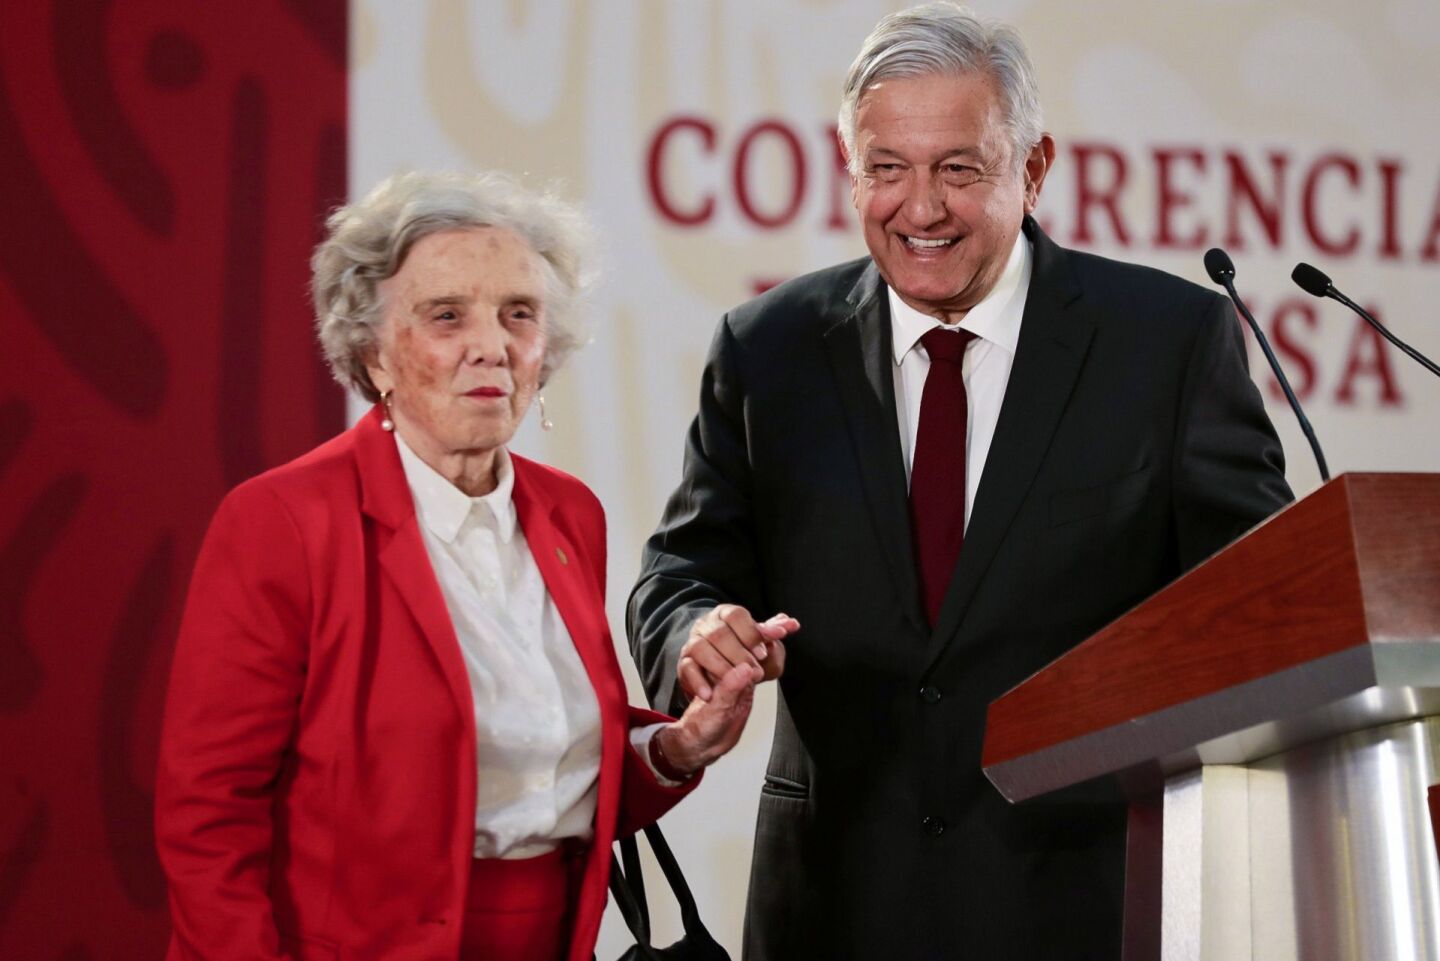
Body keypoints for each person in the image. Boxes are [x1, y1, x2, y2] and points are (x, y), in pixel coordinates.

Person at [627, 4, 1294, 959]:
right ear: (850, 166)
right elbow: (679, 570)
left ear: (1033, 169)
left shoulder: (1166, 344)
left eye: (959, 169)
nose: (921, 208)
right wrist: (694, 632)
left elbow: (1257, 605)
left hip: (1085, 904)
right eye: (887, 168)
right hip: (832, 905)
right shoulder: (767, 349)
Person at [155, 170, 775, 961]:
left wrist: (675, 746)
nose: (492, 344)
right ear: (373, 352)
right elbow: (207, 818)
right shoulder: (282, 523)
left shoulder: (568, 514)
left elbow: (546, 761)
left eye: (519, 314)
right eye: (446, 316)